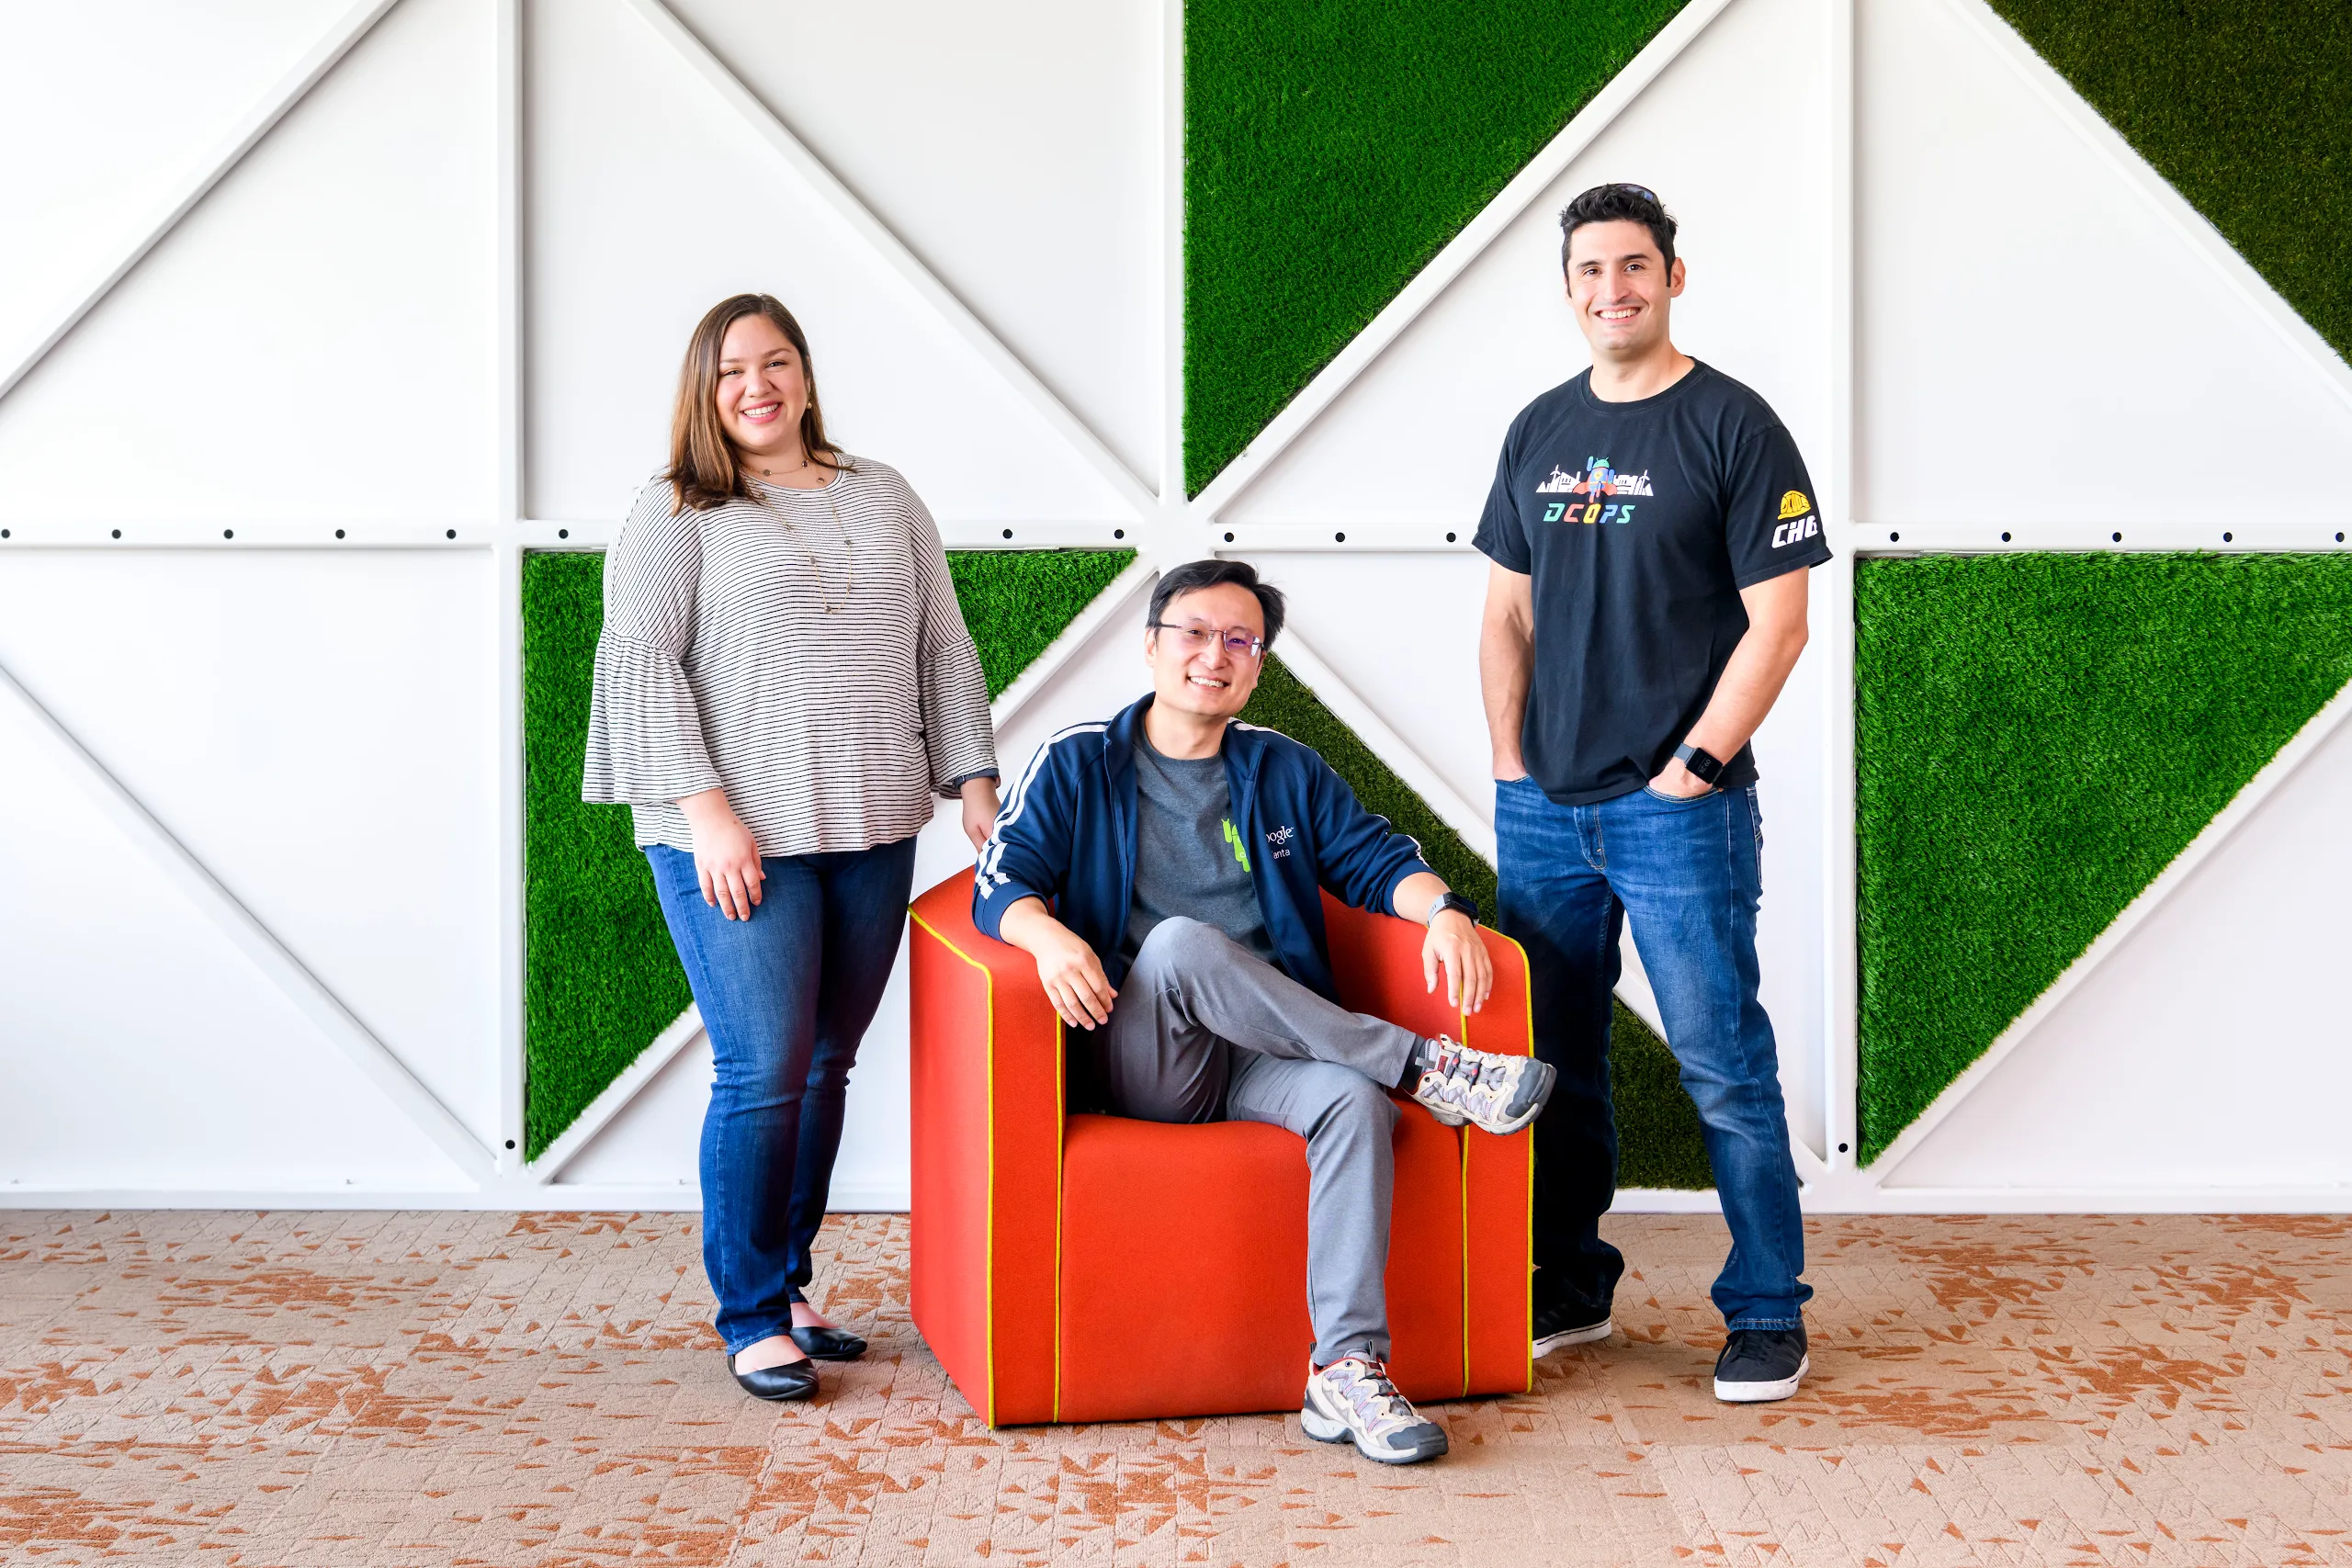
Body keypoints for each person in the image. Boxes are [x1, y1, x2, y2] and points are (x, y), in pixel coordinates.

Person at [974, 558, 1556, 1464]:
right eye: (1195, 634)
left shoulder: (1281, 770)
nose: (1216, 655)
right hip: (1143, 1056)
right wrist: (1046, 938)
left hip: (1258, 1054)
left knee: (1352, 1104)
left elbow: (1375, 859)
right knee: (1178, 945)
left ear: (1256, 666)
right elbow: (999, 881)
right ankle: (1425, 1066)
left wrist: (1441, 907)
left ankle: (1346, 1370)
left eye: (1239, 641)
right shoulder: (1080, 760)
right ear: (1152, 646)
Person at [582, 293, 1001, 1403]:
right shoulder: (676, 510)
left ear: (806, 377)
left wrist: (972, 777)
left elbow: (942, 645)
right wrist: (708, 811)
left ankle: (790, 1279)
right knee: (763, 1067)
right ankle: (750, 1312)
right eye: (730, 372)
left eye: (775, 363)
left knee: (825, 1063)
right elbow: (639, 664)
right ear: (703, 393)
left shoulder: (884, 494)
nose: (755, 385)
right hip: (733, 835)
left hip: (867, 824)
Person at [1476, 185, 1831, 1404]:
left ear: (1676, 275)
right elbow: (1506, 611)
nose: (1611, 288)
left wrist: (1695, 768)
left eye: (1635, 266)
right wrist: (1511, 762)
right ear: (1567, 286)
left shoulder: (1735, 425)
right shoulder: (1538, 428)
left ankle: (1769, 1307)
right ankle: (1569, 1281)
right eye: (1589, 270)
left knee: (1723, 1061)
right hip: (1545, 810)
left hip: (1678, 810)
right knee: (1556, 1059)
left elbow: (1779, 625)